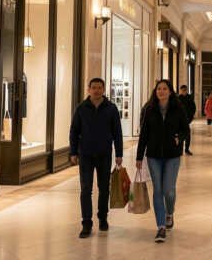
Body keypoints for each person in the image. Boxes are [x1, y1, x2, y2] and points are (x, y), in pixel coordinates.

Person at [136, 80, 190, 243]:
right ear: (155, 91)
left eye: (164, 89)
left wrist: (179, 139)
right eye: (158, 88)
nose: (161, 91)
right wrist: (139, 156)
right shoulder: (149, 109)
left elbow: (185, 129)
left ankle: (169, 213)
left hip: (172, 155)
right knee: (158, 190)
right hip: (153, 156)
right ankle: (160, 226)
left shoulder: (178, 109)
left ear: (170, 92)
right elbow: (144, 134)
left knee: (169, 190)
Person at [69, 78, 123, 238]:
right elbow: (74, 131)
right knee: (86, 189)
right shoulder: (81, 108)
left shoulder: (111, 109)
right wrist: (73, 152)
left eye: (100, 87)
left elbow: (117, 133)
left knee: (104, 188)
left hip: (104, 154)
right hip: (85, 155)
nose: (97, 90)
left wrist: (119, 153)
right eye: (94, 87)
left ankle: (103, 218)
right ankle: (86, 223)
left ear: (104, 90)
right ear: (89, 89)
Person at [178, 85, 196, 156]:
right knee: (180, 135)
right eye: (182, 90)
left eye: (184, 90)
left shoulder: (190, 98)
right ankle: (180, 150)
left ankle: (187, 149)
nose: (183, 92)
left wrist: (191, 117)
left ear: (186, 90)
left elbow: (193, 108)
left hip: (187, 119)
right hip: (179, 120)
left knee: (187, 135)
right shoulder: (178, 98)